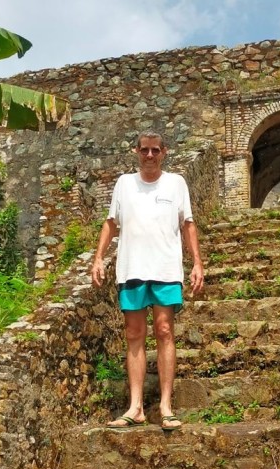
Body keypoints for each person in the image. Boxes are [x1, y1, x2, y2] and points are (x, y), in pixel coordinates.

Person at [91, 131, 204, 431]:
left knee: (165, 330)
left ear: (164, 152)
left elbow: (188, 224)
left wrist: (197, 263)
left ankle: (166, 405)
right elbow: (111, 223)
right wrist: (98, 258)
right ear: (136, 151)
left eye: (155, 150)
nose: (150, 155)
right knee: (134, 334)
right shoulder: (124, 184)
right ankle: (136, 407)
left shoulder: (176, 183)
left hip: (166, 268)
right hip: (132, 269)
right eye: (145, 150)